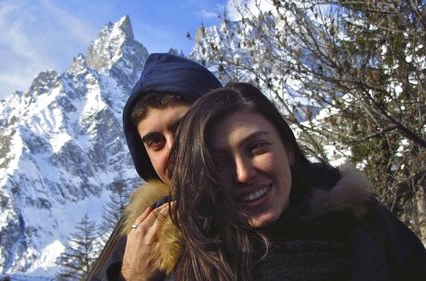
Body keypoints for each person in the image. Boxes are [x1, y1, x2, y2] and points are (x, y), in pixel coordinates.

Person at [166, 82, 426, 280]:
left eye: (256, 147)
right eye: (219, 163)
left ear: (288, 149)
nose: (243, 174)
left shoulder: (362, 218)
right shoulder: (199, 268)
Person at [86, 53, 222, 281]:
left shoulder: (272, 203)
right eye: (155, 142)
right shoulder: (140, 234)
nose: (172, 149)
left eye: (183, 128)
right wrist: (132, 276)